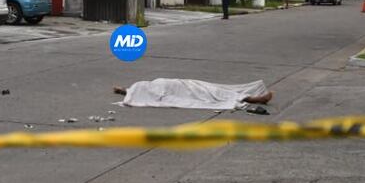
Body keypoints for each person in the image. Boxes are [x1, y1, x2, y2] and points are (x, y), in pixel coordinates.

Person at [112, 79, 273, 109]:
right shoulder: (140, 90)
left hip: (184, 84)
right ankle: (253, 99)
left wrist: (125, 90)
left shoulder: (140, 85)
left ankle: (251, 98)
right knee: (210, 95)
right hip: (183, 90)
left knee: (212, 90)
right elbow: (161, 98)